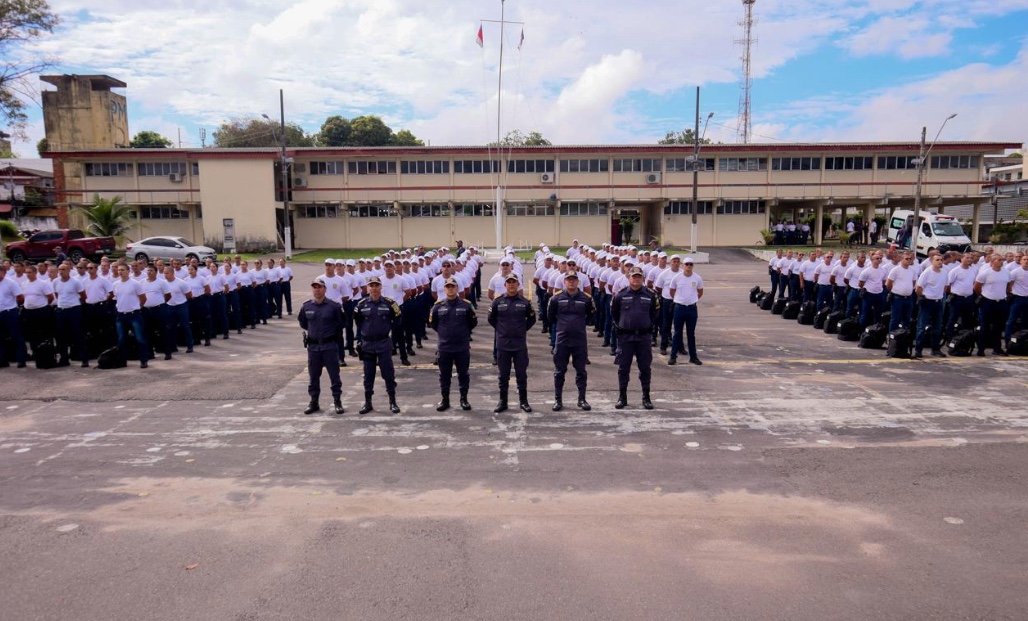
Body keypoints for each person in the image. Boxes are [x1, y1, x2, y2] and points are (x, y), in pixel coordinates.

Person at [611, 266, 659, 409]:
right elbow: (614, 313)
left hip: (643, 337)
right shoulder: (620, 295)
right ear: (628, 278)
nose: (636, 279)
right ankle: (622, 397)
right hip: (626, 337)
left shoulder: (651, 295)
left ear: (643, 278)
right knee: (623, 368)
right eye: (634, 276)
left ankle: (646, 397)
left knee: (645, 368)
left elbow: (655, 313)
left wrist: (648, 325)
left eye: (639, 276)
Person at [354, 275, 402, 415]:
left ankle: (392, 401)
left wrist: (390, 336)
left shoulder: (389, 303)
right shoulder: (361, 304)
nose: (374, 288)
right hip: (368, 344)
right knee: (368, 375)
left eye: (376, 285)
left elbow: (398, 320)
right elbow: (358, 321)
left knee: (388, 374)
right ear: (368, 288)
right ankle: (368, 402)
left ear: (381, 287)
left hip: (383, 343)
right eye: (371, 285)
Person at [487, 274, 536, 413]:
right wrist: (503, 331)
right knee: (503, 376)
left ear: (517, 284)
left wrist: (520, 330)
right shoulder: (497, 302)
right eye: (509, 282)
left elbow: (531, 319)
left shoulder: (525, 302)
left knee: (521, 374)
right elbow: (491, 319)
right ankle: (503, 402)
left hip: (519, 345)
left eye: (514, 282)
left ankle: (523, 401)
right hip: (503, 345)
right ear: (505, 285)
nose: (511, 285)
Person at [547, 271, 595, 411]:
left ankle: (582, 399)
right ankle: (558, 400)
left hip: (579, 339)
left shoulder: (586, 298)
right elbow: (551, 317)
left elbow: (591, 316)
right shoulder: (556, 298)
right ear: (564, 281)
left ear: (578, 282)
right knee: (559, 371)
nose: (571, 282)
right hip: (562, 339)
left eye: (574, 279)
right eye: (569, 279)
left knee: (581, 371)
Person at [297, 276, 345, 415]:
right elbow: (303, 323)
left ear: (325, 289)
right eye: (315, 287)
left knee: (334, 376)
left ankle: (337, 401)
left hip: (329, 346)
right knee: (313, 377)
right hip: (313, 348)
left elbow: (341, 323)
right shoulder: (307, 306)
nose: (317, 290)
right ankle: (314, 402)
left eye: (320, 287)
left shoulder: (334, 306)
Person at [429, 277, 477, 411]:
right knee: (444, 376)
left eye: (453, 286)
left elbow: (472, 322)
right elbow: (434, 324)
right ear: (444, 289)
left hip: (461, 347)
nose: (450, 289)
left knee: (463, 374)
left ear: (457, 288)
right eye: (448, 286)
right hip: (445, 347)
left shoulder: (466, 305)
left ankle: (464, 399)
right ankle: (445, 400)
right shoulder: (437, 306)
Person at [112, 265, 150, 368]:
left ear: (128, 271)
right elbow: (117, 298)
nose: (120, 272)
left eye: (122, 270)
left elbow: (143, 298)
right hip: (121, 315)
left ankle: (143, 360)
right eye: (119, 270)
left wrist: (138, 307)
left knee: (139, 338)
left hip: (134, 314)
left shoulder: (135, 284)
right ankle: (122, 361)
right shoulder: (115, 284)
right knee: (121, 339)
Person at [668, 257, 704, 365]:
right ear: (683, 265)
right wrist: (679, 299)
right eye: (687, 264)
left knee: (691, 333)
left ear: (693, 266)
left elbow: (700, 292)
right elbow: (672, 291)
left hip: (692, 308)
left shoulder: (697, 278)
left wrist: (692, 299)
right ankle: (673, 356)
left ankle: (693, 357)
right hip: (679, 308)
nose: (688, 266)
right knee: (677, 333)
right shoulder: (677, 278)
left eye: (691, 264)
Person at [975, 254, 1012, 356]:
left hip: (1001, 301)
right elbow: (977, 287)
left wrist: (1006, 294)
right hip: (988, 301)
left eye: (1002, 260)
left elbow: (1009, 285)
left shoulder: (1006, 272)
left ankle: (997, 348)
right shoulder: (985, 273)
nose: (1001, 262)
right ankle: (981, 349)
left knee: (999, 327)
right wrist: (984, 295)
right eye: (999, 260)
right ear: (992, 262)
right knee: (984, 326)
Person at [52, 263, 88, 367]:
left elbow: (83, 296)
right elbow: (57, 295)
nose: (61, 271)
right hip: (61, 310)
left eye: (63, 269)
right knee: (61, 336)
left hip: (74, 310)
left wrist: (74, 304)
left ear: (68, 270)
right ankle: (64, 359)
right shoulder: (55, 282)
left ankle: (84, 359)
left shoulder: (76, 282)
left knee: (78, 335)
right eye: (59, 269)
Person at [913, 254, 947, 358]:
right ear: (932, 261)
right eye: (937, 260)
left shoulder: (944, 273)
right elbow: (918, 288)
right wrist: (922, 297)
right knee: (922, 326)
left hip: (938, 302)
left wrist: (939, 296)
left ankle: (935, 349)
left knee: (937, 327)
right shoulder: (927, 272)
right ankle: (918, 349)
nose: (940, 262)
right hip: (927, 301)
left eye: (941, 260)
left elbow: (945, 286)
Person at [0, 264, 28, 368]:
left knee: (16, 336)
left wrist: (12, 306)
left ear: (4, 272)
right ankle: (2, 360)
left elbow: (20, 297)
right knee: (0, 338)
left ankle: (21, 359)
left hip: (10, 312)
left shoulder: (11, 283)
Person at [1005, 255, 1028, 346]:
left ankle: (1023, 342)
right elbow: (1009, 285)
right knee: (1011, 320)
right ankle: (1008, 342)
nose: (1026, 261)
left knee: (1025, 322)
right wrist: (1011, 293)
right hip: (1017, 298)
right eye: (1024, 259)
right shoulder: (1015, 272)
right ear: (1021, 261)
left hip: (1027, 299)